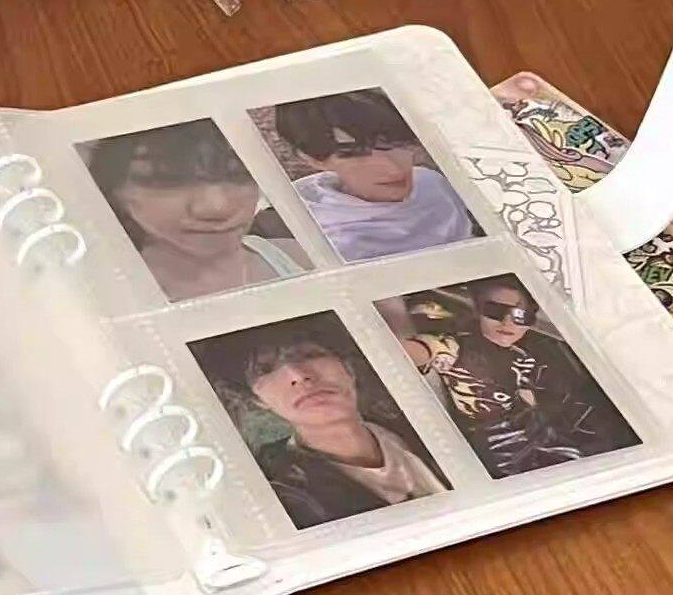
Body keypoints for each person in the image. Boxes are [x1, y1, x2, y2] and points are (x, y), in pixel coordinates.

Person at [395, 277, 639, 476]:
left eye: (521, 316)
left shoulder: (526, 358)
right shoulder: (456, 347)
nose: (507, 321)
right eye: (495, 310)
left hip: (550, 442)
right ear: (478, 309)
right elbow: (421, 350)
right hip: (501, 454)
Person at [228, 322, 446, 527]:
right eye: (265, 370)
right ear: (258, 400)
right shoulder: (280, 494)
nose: (298, 375)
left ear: (349, 369)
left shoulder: (420, 423)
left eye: (310, 355)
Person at [85, 120, 307, 301]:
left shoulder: (296, 257)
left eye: (238, 173)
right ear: (115, 189)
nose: (217, 206)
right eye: (167, 179)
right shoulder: (99, 298)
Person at [274, 89, 478, 261]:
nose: (393, 168)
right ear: (313, 158)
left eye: (396, 144)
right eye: (354, 154)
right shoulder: (330, 241)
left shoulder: (431, 182)